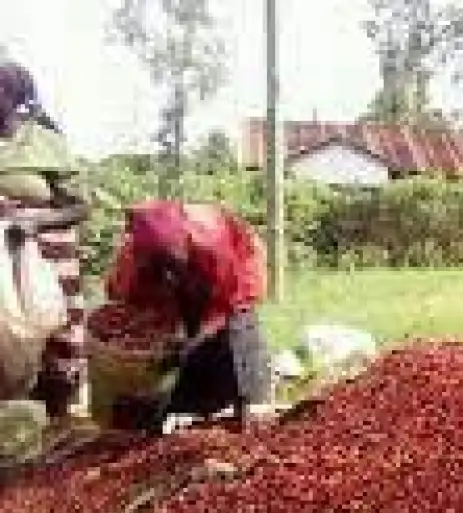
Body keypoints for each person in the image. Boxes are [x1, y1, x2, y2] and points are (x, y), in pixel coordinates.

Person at [104, 200, 271, 433]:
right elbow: (127, 297)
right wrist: (148, 334)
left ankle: (245, 406)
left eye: (171, 259)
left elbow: (225, 303)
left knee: (236, 333)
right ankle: (173, 411)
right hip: (192, 276)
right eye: (159, 262)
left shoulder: (212, 241)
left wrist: (191, 342)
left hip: (237, 273)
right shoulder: (135, 255)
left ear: (183, 243)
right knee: (170, 354)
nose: (168, 268)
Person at [0, 60, 90, 421]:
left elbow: (81, 206)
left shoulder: (46, 142)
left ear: (13, 96)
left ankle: (59, 416)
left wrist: (35, 222)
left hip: (45, 255)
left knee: (55, 333)